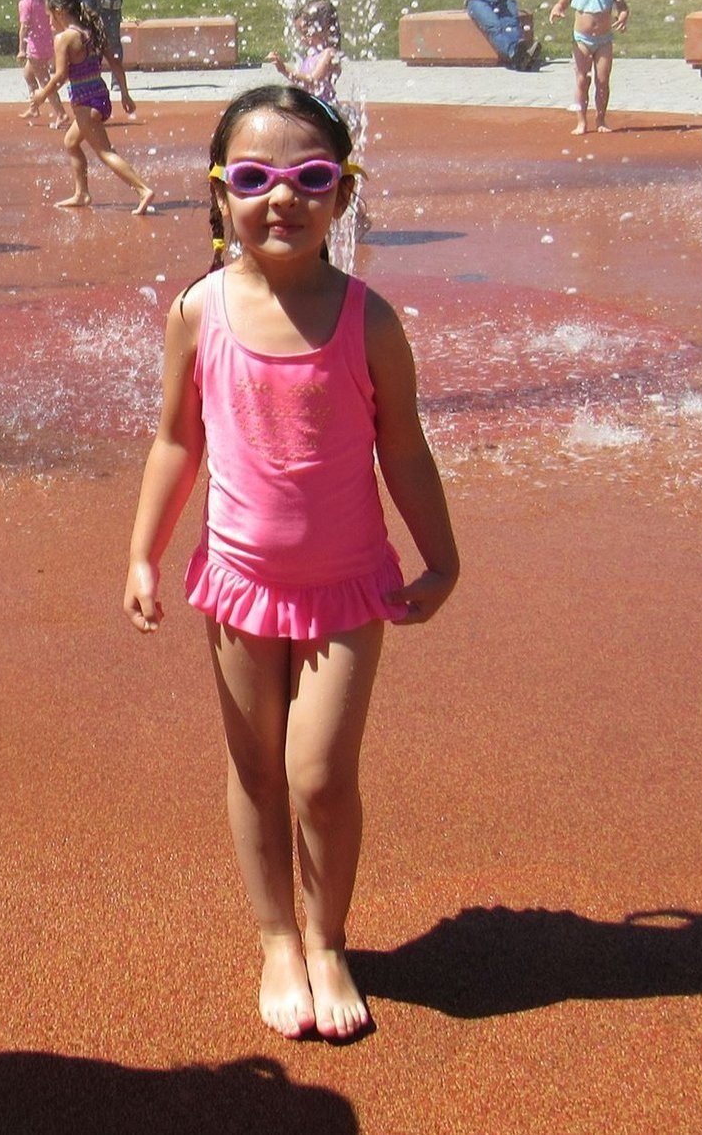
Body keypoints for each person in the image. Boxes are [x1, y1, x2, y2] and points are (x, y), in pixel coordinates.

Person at [123, 85, 461, 1042]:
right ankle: (276, 934)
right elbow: (176, 442)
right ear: (219, 192)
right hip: (238, 581)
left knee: (318, 773)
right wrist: (144, 553)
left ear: (343, 194)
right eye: (256, 178)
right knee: (255, 767)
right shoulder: (199, 311)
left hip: (349, 584)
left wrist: (442, 559)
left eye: (311, 177)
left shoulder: (369, 320)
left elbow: (404, 449)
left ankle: (327, 936)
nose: (284, 198)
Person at [26, 0, 155, 215]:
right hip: (100, 97)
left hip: (85, 104)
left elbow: (59, 76)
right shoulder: (91, 31)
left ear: (60, 11)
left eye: (50, 15)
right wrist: (125, 93)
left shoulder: (64, 38)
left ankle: (143, 189)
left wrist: (40, 96)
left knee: (105, 152)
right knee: (71, 142)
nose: (49, 21)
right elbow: (115, 62)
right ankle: (82, 193)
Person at [548, 0, 629, 135]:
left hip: (603, 41)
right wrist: (557, 10)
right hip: (582, 39)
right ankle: (581, 121)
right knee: (582, 80)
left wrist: (623, 16)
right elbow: (562, 3)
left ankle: (600, 118)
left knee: (602, 81)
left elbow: (623, 7)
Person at [268, 0, 345, 108]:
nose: (303, 39)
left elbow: (313, 83)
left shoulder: (329, 54)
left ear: (325, 28)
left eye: (306, 33)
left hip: (323, 109)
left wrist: (284, 69)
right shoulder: (312, 53)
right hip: (310, 106)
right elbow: (303, 84)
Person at [15, 0, 64, 128]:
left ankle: (61, 113)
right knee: (28, 74)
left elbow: (24, 27)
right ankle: (34, 107)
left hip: (35, 47)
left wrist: (21, 49)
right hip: (48, 43)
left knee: (45, 82)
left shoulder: (26, 2)